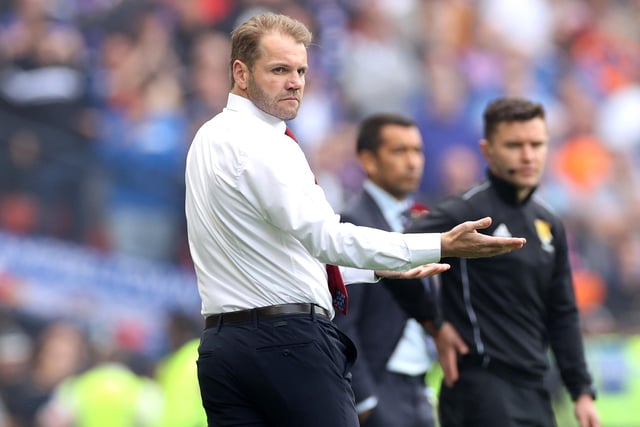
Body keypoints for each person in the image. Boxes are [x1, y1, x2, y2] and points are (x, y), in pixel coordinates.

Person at [184, 13, 526, 427]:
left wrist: (381, 268)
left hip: (223, 348)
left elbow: (280, 257)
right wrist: (440, 243)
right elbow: (324, 239)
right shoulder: (265, 143)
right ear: (240, 72)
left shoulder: (207, 138)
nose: (295, 81)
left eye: (300, 70)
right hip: (288, 344)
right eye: (279, 70)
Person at [406, 97, 600, 427]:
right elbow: (397, 251)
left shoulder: (548, 222)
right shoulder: (464, 212)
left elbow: (562, 311)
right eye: (514, 145)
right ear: (487, 150)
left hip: (536, 388)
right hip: (481, 388)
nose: (528, 155)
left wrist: (581, 390)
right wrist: (434, 323)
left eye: (536, 144)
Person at [333, 113, 437, 427]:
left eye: (417, 151)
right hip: (380, 384)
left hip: (419, 383)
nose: (412, 162)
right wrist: (363, 397)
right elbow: (343, 320)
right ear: (368, 160)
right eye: (399, 151)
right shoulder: (353, 223)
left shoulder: (422, 221)